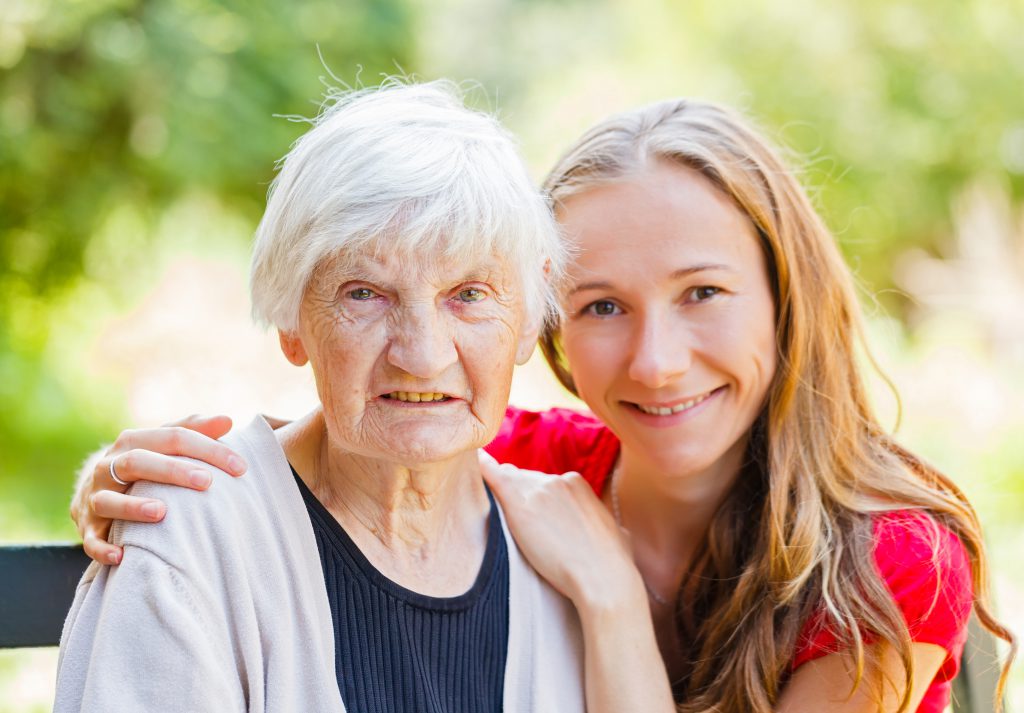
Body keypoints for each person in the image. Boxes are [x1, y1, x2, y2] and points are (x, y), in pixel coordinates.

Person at [70, 98, 1015, 712]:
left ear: (786, 296)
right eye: (604, 305)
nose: (658, 360)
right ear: (553, 322)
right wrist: (151, 474)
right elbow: (381, 432)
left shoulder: (889, 563)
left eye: (704, 293)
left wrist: (609, 597)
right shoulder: (547, 465)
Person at [56, 80, 593, 713]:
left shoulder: (562, 554)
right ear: (291, 318)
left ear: (530, 312)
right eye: (364, 293)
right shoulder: (191, 541)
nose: (421, 356)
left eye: (469, 294)